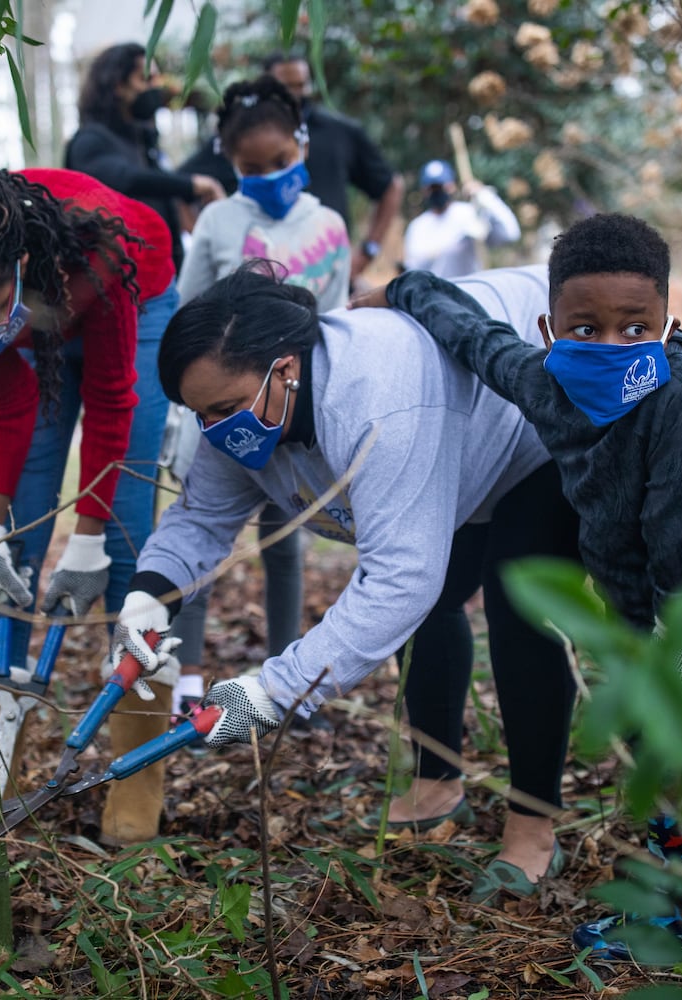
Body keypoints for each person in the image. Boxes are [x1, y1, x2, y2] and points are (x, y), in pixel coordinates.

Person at [358, 213, 682, 955]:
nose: (612, 346)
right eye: (584, 330)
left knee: (679, 725)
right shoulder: (542, 380)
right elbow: (472, 335)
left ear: (667, 325)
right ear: (548, 329)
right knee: (644, 724)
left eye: (635, 328)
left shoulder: (681, 397)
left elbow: (681, 535)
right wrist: (399, 288)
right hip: (631, 565)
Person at [109, 262, 583, 903]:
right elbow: (200, 519)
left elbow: (400, 579)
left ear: (286, 369)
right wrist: (146, 599)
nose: (215, 431)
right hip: (455, 449)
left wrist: (274, 690)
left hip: (530, 428)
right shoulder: (237, 416)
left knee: (517, 604)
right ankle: (437, 783)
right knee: (436, 603)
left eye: (223, 410)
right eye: (200, 415)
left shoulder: (379, 395)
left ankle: (532, 825)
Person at [0, 137, 180, 846]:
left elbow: (112, 401)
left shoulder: (101, 251)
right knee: (17, 534)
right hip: (36, 317)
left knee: (125, 529)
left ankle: (137, 776)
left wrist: (87, 544)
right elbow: (11, 411)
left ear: (16, 267)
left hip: (132, 294)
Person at [169, 74, 353, 712]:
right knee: (202, 538)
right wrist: (182, 410)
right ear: (230, 161)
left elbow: (335, 324)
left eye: (281, 162)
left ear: (301, 146)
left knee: (285, 541)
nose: (270, 175)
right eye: (253, 167)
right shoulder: (219, 220)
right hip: (219, 418)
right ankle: (184, 674)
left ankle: (286, 672)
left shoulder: (329, 224)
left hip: (290, 414)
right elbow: (187, 311)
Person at [179, 53, 404, 285]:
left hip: (323, 272)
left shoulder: (339, 135)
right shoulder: (238, 140)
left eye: (302, 85)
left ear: (302, 147)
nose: (296, 94)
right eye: (254, 168)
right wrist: (208, 233)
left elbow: (390, 185)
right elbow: (179, 185)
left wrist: (368, 249)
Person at [66, 42, 226, 270]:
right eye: (145, 79)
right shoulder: (90, 141)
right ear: (118, 85)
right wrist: (193, 185)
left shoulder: (143, 140)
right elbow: (126, 178)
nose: (155, 87)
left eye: (156, 79)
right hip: (121, 278)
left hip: (163, 273)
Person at [401, 159, 521, 279]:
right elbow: (412, 270)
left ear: (452, 186)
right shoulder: (417, 227)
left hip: (468, 292)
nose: (437, 192)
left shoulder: (468, 213)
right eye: (432, 188)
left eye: (441, 187)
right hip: (434, 296)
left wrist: (484, 196)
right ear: (424, 190)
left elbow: (510, 234)